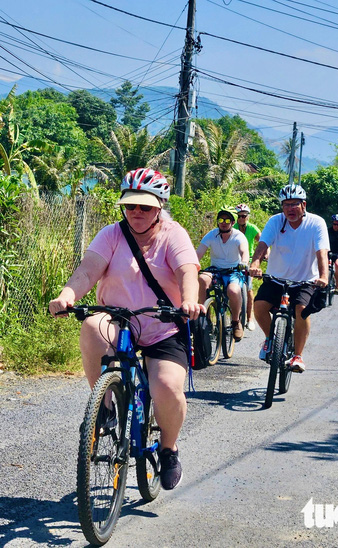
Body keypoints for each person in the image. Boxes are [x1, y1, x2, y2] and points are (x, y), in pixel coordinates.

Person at [48, 168, 204, 491]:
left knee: (166, 387)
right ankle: (103, 409)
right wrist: (67, 295)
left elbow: (188, 270)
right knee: (92, 325)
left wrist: (189, 301)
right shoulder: (111, 235)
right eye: (130, 205)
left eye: (145, 207)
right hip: (120, 322)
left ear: (160, 205)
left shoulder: (174, 235)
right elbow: (88, 270)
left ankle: (169, 449)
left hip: (164, 327)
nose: (136, 213)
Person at [248, 184, 329, 373]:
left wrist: (324, 276)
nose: (290, 209)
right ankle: (270, 339)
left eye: (295, 204)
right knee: (259, 306)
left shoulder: (316, 223)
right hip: (276, 278)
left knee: (302, 310)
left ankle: (298, 355)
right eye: (286, 205)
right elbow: (262, 245)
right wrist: (255, 264)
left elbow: (321, 252)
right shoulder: (276, 221)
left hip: (305, 280)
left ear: (304, 205)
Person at [196, 208, 249, 341]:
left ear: (232, 222)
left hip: (234, 270)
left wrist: (244, 262)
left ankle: (236, 322)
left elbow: (244, 251)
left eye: (226, 220)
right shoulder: (211, 235)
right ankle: (204, 317)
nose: (223, 223)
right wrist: (192, 265)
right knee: (202, 279)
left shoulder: (238, 236)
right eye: (221, 220)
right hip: (215, 270)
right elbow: (198, 253)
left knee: (233, 290)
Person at [233, 203, 261, 331]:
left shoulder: (252, 228)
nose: (241, 219)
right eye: (239, 216)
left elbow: (263, 242)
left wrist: (265, 255)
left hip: (248, 261)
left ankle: (250, 318)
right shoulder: (232, 227)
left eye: (244, 216)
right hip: (234, 260)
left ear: (247, 217)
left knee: (249, 290)